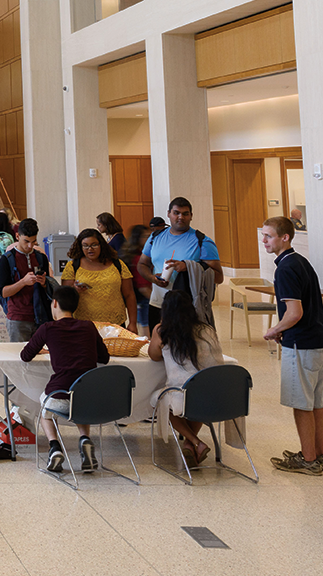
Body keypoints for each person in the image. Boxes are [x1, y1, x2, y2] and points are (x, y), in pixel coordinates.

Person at [261, 216, 323, 476]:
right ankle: (318, 454)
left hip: (302, 344)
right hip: (319, 341)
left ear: (285, 237)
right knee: (315, 403)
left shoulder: (286, 268)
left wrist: (275, 330)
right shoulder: (301, 262)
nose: (264, 240)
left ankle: (308, 459)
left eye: (268, 236)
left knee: (301, 404)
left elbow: (294, 312)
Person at [21, 285, 109, 473]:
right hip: (89, 398)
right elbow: (104, 358)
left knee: (45, 408)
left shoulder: (48, 328)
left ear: (54, 303)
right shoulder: (88, 326)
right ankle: (84, 439)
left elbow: (25, 355)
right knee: (79, 396)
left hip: (59, 394)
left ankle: (54, 447)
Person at [147, 287, 225, 465]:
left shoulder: (163, 330)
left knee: (161, 401)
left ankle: (196, 442)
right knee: (197, 398)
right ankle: (189, 445)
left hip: (185, 394)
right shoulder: (207, 329)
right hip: (218, 393)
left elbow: (154, 355)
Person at [137, 198, 222, 330]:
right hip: (157, 303)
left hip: (187, 305)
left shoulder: (203, 241)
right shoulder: (155, 237)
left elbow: (218, 276)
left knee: (184, 347)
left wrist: (187, 267)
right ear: (169, 214)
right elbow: (142, 264)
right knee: (159, 344)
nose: (180, 217)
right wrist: (152, 278)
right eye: (176, 213)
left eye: (185, 213)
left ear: (191, 216)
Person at [61, 228, 137, 328]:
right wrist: (74, 290)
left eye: (94, 245)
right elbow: (64, 298)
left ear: (101, 245)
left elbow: (129, 294)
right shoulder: (73, 266)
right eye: (85, 246)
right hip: (84, 325)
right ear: (80, 247)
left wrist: (133, 323)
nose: (90, 249)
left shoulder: (117, 264)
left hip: (115, 324)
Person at [0, 216, 50, 342]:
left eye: (34, 241)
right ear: (17, 236)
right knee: (19, 357)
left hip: (41, 316)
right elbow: (4, 292)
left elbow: (49, 287)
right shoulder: (7, 259)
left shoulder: (41, 257)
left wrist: (44, 283)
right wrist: (23, 282)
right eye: (26, 241)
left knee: (42, 359)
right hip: (18, 317)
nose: (30, 246)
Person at [121, 224, 154, 334]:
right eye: (146, 236)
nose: (149, 239)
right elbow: (143, 287)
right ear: (137, 238)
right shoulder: (138, 258)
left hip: (140, 299)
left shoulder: (134, 254)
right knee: (147, 332)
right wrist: (158, 303)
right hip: (144, 299)